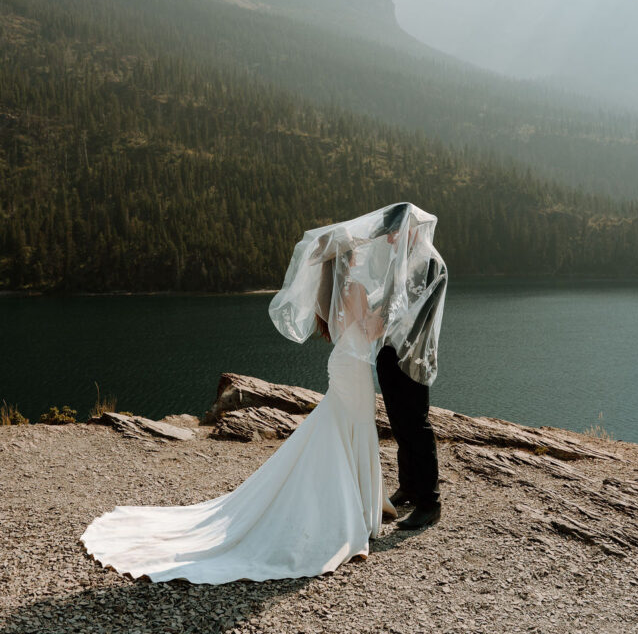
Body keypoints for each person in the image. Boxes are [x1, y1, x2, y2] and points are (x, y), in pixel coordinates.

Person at [80, 203, 446, 583]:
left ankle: (382, 500)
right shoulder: (354, 287)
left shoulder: (345, 285)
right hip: (355, 367)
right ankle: (355, 506)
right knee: (352, 430)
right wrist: (383, 315)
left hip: (350, 364)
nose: (376, 246)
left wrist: (380, 314)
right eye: (359, 251)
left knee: (348, 429)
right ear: (349, 262)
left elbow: (379, 323)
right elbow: (371, 329)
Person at [372, 204, 447, 530]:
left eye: (393, 233)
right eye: (387, 234)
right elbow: (388, 303)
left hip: (414, 355)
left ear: (410, 228)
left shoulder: (432, 262)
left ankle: (430, 501)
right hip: (389, 352)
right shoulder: (397, 261)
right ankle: (409, 485)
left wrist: (391, 329)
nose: (389, 240)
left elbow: (421, 314)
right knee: (398, 422)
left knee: (417, 424)